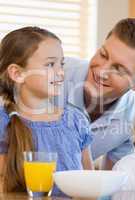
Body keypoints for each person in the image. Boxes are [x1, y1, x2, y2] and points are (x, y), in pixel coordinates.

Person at [62, 18, 135, 169]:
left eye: (118, 69)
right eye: (103, 55)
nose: (101, 72)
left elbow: (113, 179)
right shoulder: (55, 73)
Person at [0, 27, 94, 195]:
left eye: (61, 64)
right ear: (17, 73)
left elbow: (90, 185)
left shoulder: (76, 120)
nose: (60, 73)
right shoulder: (4, 122)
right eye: (50, 64)